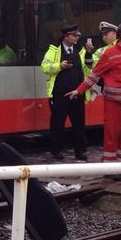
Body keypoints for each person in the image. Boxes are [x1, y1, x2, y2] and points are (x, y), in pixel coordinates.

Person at [66, 22, 121, 165]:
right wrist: (79, 91)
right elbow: (94, 75)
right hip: (114, 103)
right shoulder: (109, 54)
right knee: (112, 135)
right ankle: (110, 168)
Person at [41, 23, 94, 161]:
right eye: (74, 35)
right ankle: (56, 150)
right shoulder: (54, 50)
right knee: (58, 122)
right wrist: (60, 66)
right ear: (66, 36)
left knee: (79, 123)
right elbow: (45, 67)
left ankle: (81, 151)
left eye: (78, 35)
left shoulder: (80, 50)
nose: (77, 37)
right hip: (59, 92)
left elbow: (89, 66)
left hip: (77, 92)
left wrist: (89, 53)